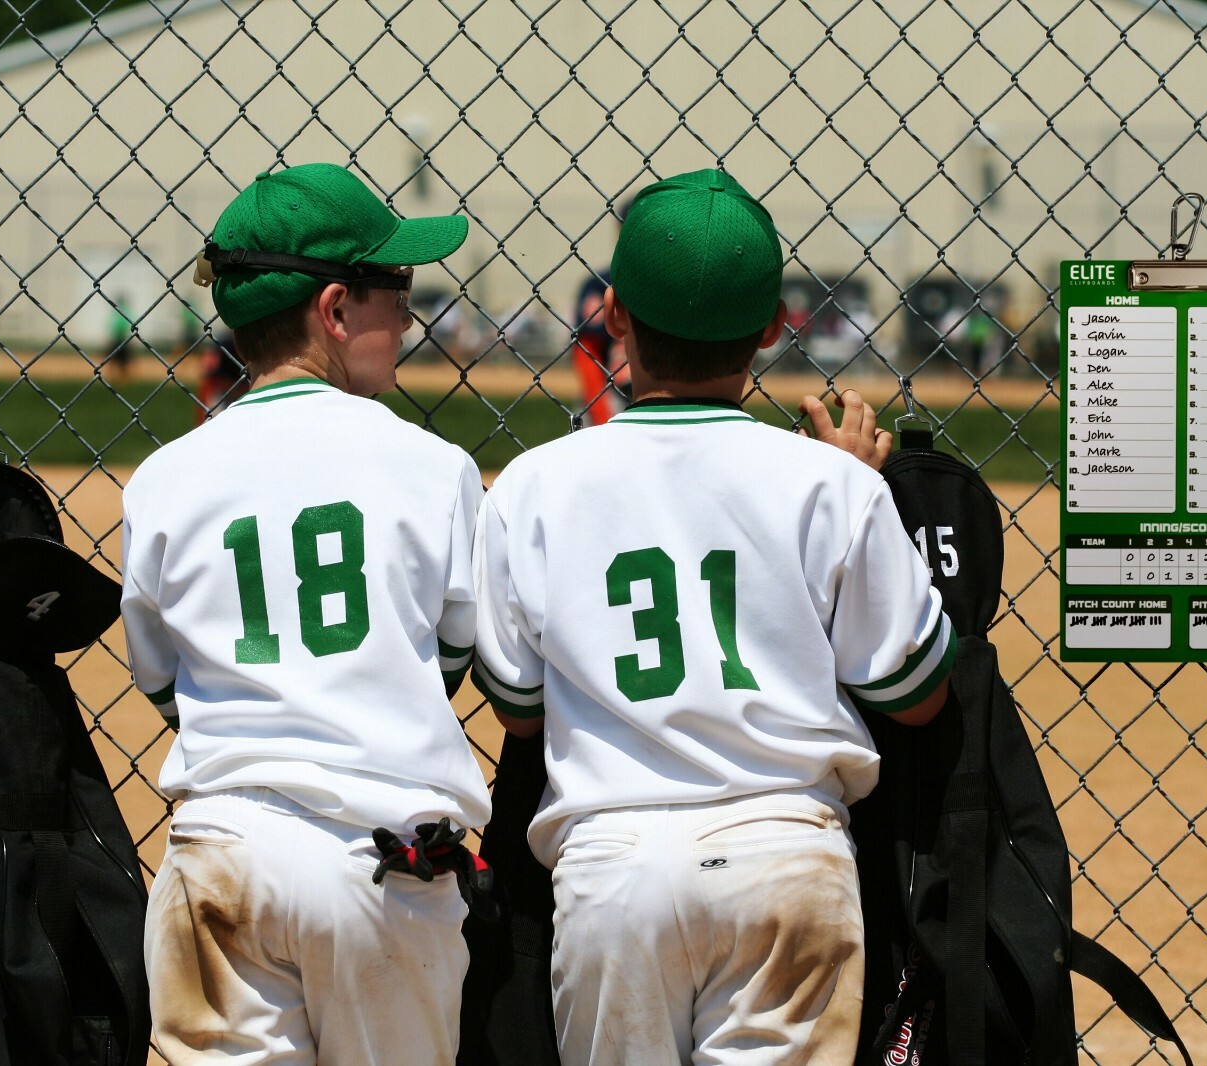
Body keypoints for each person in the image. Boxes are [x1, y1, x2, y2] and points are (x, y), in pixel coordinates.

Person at [472, 168, 955, 1065]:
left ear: (611, 316)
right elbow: (917, 693)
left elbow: (517, 710)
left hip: (611, 863)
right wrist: (855, 484)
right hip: (785, 855)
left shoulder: (534, 484)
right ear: (774, 329)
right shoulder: (829, 483)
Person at [119, 163, 492, 1065]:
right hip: (381, 869)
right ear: (334, 311)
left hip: (222, 852)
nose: (407, 317)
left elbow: (166, 679)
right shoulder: (431, 466)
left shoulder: (165, 477)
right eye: (394, 292)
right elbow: (444, 660)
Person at [570, 197, 633, 426]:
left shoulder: (676, 283)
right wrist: (602, 416)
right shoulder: (600, 284)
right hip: (612, 394)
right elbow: (587, 354)